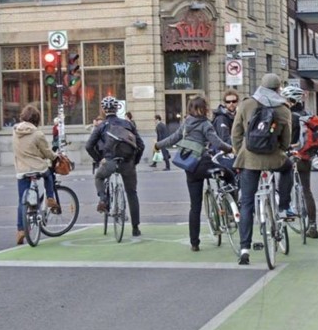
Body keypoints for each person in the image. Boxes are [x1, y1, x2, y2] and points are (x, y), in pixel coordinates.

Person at [154, 95, 233, 252]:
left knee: (194, 207)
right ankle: (232, 208)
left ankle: (194, 243)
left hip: (190, 167)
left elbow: (172, 139)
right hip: (203, 164)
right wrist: (230, 149)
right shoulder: (205, 124)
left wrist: (157, 144)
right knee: (229, 175)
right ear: (205, 108)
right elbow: (217, 142)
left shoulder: (186, 123)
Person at [232, 73, 293, 265]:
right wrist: (281, 150)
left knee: (247, 203)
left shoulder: (247, 104)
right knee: (287, 168)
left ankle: (244, 248)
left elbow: (236, 133)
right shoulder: (283, 109)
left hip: (249, 159)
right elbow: (286, 138)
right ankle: (283, 206)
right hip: (274, 158)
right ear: (278, 89)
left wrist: (239, 151)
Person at [86, 96, 145, 237]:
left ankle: (103, 199)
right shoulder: (128, 124)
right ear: (117, 109)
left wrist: (100, 159)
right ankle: (135, 228)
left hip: (110, 162)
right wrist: (134, 162)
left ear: (103, 110)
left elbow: (89, 146)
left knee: (99, 177)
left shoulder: (101, 126)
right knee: (132, 193)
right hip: (127, 162)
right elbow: (141, 145)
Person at [13, 105, 59, 245]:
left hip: (21, 169)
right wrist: (54, 157)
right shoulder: (38, 133)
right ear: (36, 119)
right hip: (37, 167)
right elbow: (46, 152)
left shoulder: (15, 131)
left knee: (22, 200)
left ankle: (21, 230)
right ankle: (50, 197)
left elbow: (24, 150)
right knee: (48, 175)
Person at [281, 85, 318, 239]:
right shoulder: (307, 115)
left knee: (283, 181)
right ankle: (313, 225)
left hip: (291, 155)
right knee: (307, 190)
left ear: (290, 100)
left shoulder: (288, 116)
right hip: (306, 157)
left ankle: (284, 208)